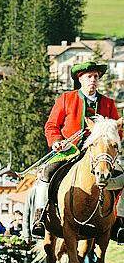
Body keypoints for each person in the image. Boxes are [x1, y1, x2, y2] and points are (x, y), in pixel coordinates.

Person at [32, 61, 119, 237]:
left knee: (121, 177)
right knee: (46, 174)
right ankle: (40, 216)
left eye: (96, 77)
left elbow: (118, 131)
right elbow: (51, 126)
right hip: (69, 150)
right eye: (89, 77)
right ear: (80, 80)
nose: (93, 80)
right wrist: (56, 141)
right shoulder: (66, 99)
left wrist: (112, 143)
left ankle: (120, 221)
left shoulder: (108, 103)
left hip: (100, 153)